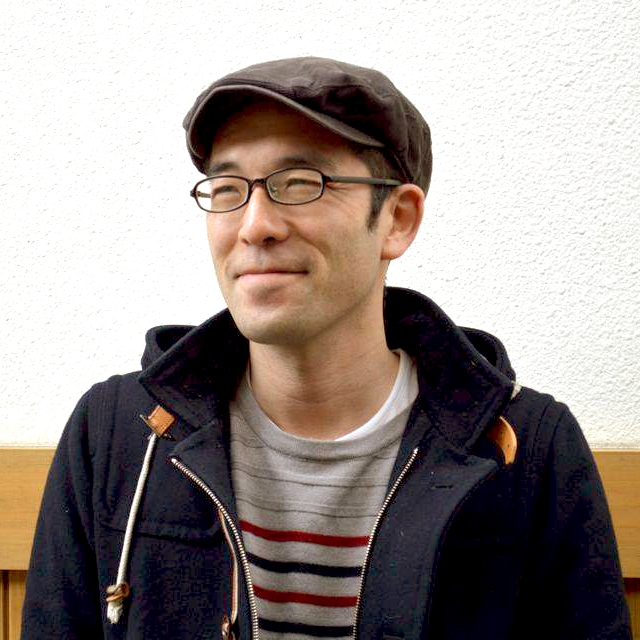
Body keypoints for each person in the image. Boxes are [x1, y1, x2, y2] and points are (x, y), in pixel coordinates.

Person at [22, 57, 631, 640]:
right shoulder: (117, 434)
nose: (254, 226)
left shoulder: (524, 448)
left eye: (299, 184)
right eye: (228, 188)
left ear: (397, 219)